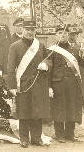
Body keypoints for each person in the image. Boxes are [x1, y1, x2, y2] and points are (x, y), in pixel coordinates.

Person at [7, 20, 50, 148]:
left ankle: (36, 139)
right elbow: (10, 68)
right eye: (27, 29)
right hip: (23, 84)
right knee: (24, 112)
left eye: (32, 30)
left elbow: (48, 60)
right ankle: (24, 139)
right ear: (22, 30)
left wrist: (46, 65)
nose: (30, 32)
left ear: (35, 31)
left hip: (38, 84)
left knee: (37, 112)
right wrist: (12, 86)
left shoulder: (40, 45)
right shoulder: (15, 46)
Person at [44, 24, 84, 143]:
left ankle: (70, 134)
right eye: (60, 33)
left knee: (72, 107)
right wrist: (49, 87)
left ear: (68, 35)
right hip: (58, 84)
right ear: (56, 35)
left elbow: (83, 65)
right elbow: (48, 70)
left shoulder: (76, 50)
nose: (63, 35)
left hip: (72, 84)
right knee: (59, 109)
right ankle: (59, 134)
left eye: (65, 33)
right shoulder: (50, 50)